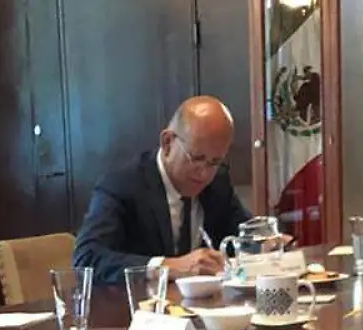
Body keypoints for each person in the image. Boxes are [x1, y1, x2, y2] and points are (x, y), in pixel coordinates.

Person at [73, 95, 252, 284]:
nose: (204, 174)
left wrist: (264, 242)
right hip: (139, 300)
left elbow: (244, 236)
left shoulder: (218, 182)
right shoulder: (122, 185)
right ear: (167, 143)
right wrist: (167, 266)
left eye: (215, 162)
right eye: (196, 158)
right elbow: (86, 258)